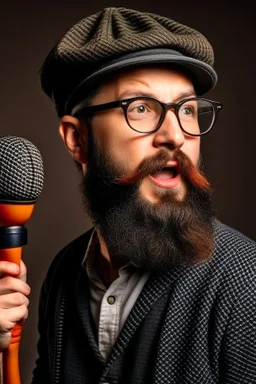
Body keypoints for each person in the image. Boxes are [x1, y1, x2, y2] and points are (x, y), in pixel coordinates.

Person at [0, 7, 255, 383]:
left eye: (186, 110)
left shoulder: (245, 285)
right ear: (77, 139)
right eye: (140, 107)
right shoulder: (64, 272)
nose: (176, 135)